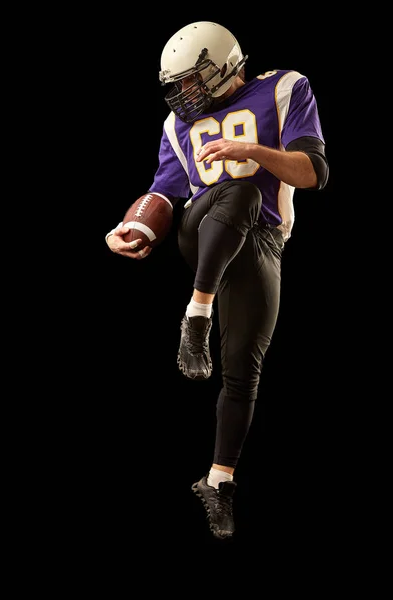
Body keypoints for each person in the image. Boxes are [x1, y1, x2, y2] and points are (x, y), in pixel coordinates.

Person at [105, 21, 329, 540]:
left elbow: (313, 172)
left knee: (243, 368)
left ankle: (218, 482)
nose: (185, 93)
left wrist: (254, 153)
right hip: (202, 229)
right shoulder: (176, 127)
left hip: (263, 242)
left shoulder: (283, 87)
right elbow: (163, 194)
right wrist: (129, 227)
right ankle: (196, 313)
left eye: (194, 79)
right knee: (242, 192)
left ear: (227, 65)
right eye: (177, 83)